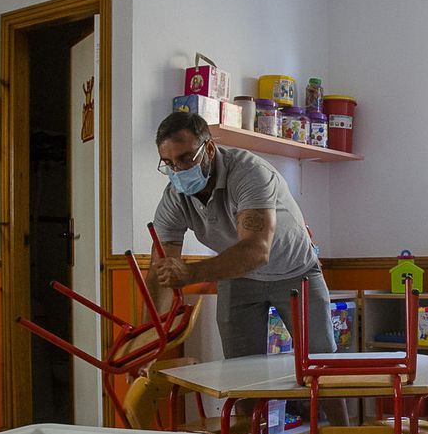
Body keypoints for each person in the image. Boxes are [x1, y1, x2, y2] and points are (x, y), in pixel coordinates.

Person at [147, 112, 344, 407]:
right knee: (240, 379)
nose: (178, 170)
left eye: (186, 158)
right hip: (238, 276)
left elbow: (255, 251)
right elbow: (159, 273)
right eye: (169, 164)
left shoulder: (249, 173)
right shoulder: (174, 197)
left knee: (321, 369)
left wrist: (190, 274)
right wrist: (148, 344)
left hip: (295, 269)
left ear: (209, 148)